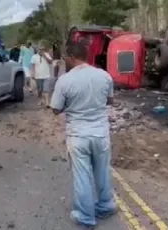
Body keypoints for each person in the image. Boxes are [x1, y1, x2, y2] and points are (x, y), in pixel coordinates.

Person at [50, 41, 117, 227]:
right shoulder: (104, 76)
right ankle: (106, 205)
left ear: (71, 58)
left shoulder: (65, 80)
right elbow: (110, 100)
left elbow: (56, 109)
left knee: (82, 175)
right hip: (101, 133)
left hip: (78, 135)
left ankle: (86, 216)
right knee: (102, 171)